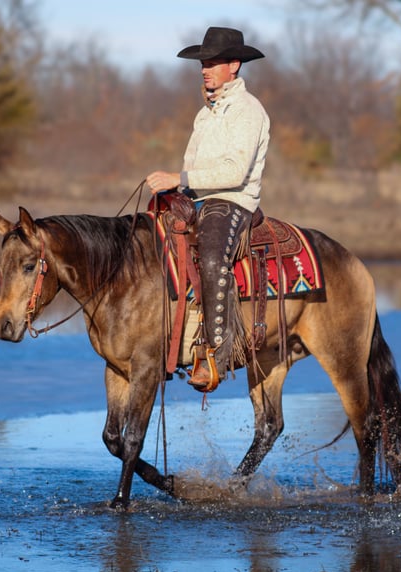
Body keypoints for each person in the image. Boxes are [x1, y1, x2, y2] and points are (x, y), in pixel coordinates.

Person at [146, 26, 270, 390]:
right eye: (203, 62)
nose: (205, 69)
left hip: (232, 201)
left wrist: (178, 176)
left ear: (234, 65)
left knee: (214, 258)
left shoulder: (248, 111)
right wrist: (178, 189)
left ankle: (216, 352)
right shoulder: (205, 114)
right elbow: (193, 165)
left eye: (213, 62)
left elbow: (234, 173)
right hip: (199, 198)